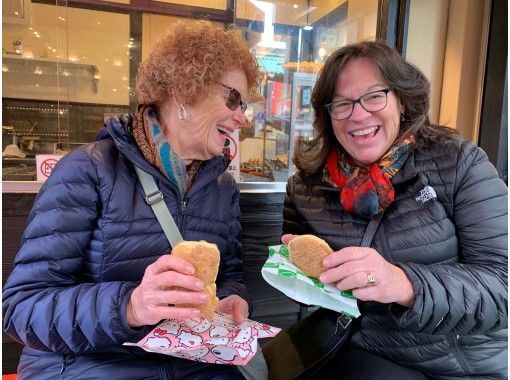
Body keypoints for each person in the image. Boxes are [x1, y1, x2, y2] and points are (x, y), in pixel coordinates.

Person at [3, 20, 263, 379]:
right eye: (233, 99)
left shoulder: (221, 185)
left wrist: (233, 299)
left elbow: (230, 274)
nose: (242, 118)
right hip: (93, 366)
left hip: (195, 365)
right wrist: (130, 306)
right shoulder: (88, 170)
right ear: (184, 91)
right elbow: (20, 310)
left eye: (244, 104)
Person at [280, 40, 507, 379]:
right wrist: (299, 274)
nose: (358, 115)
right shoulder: (307, 189)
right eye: (341, 104)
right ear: (327, 115)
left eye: (374, 96)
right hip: (366, 353)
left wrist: (404, 283)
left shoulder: (458, 164)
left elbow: (503, 286)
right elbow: (308, 295)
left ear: (402, 100)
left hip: (463, 363)